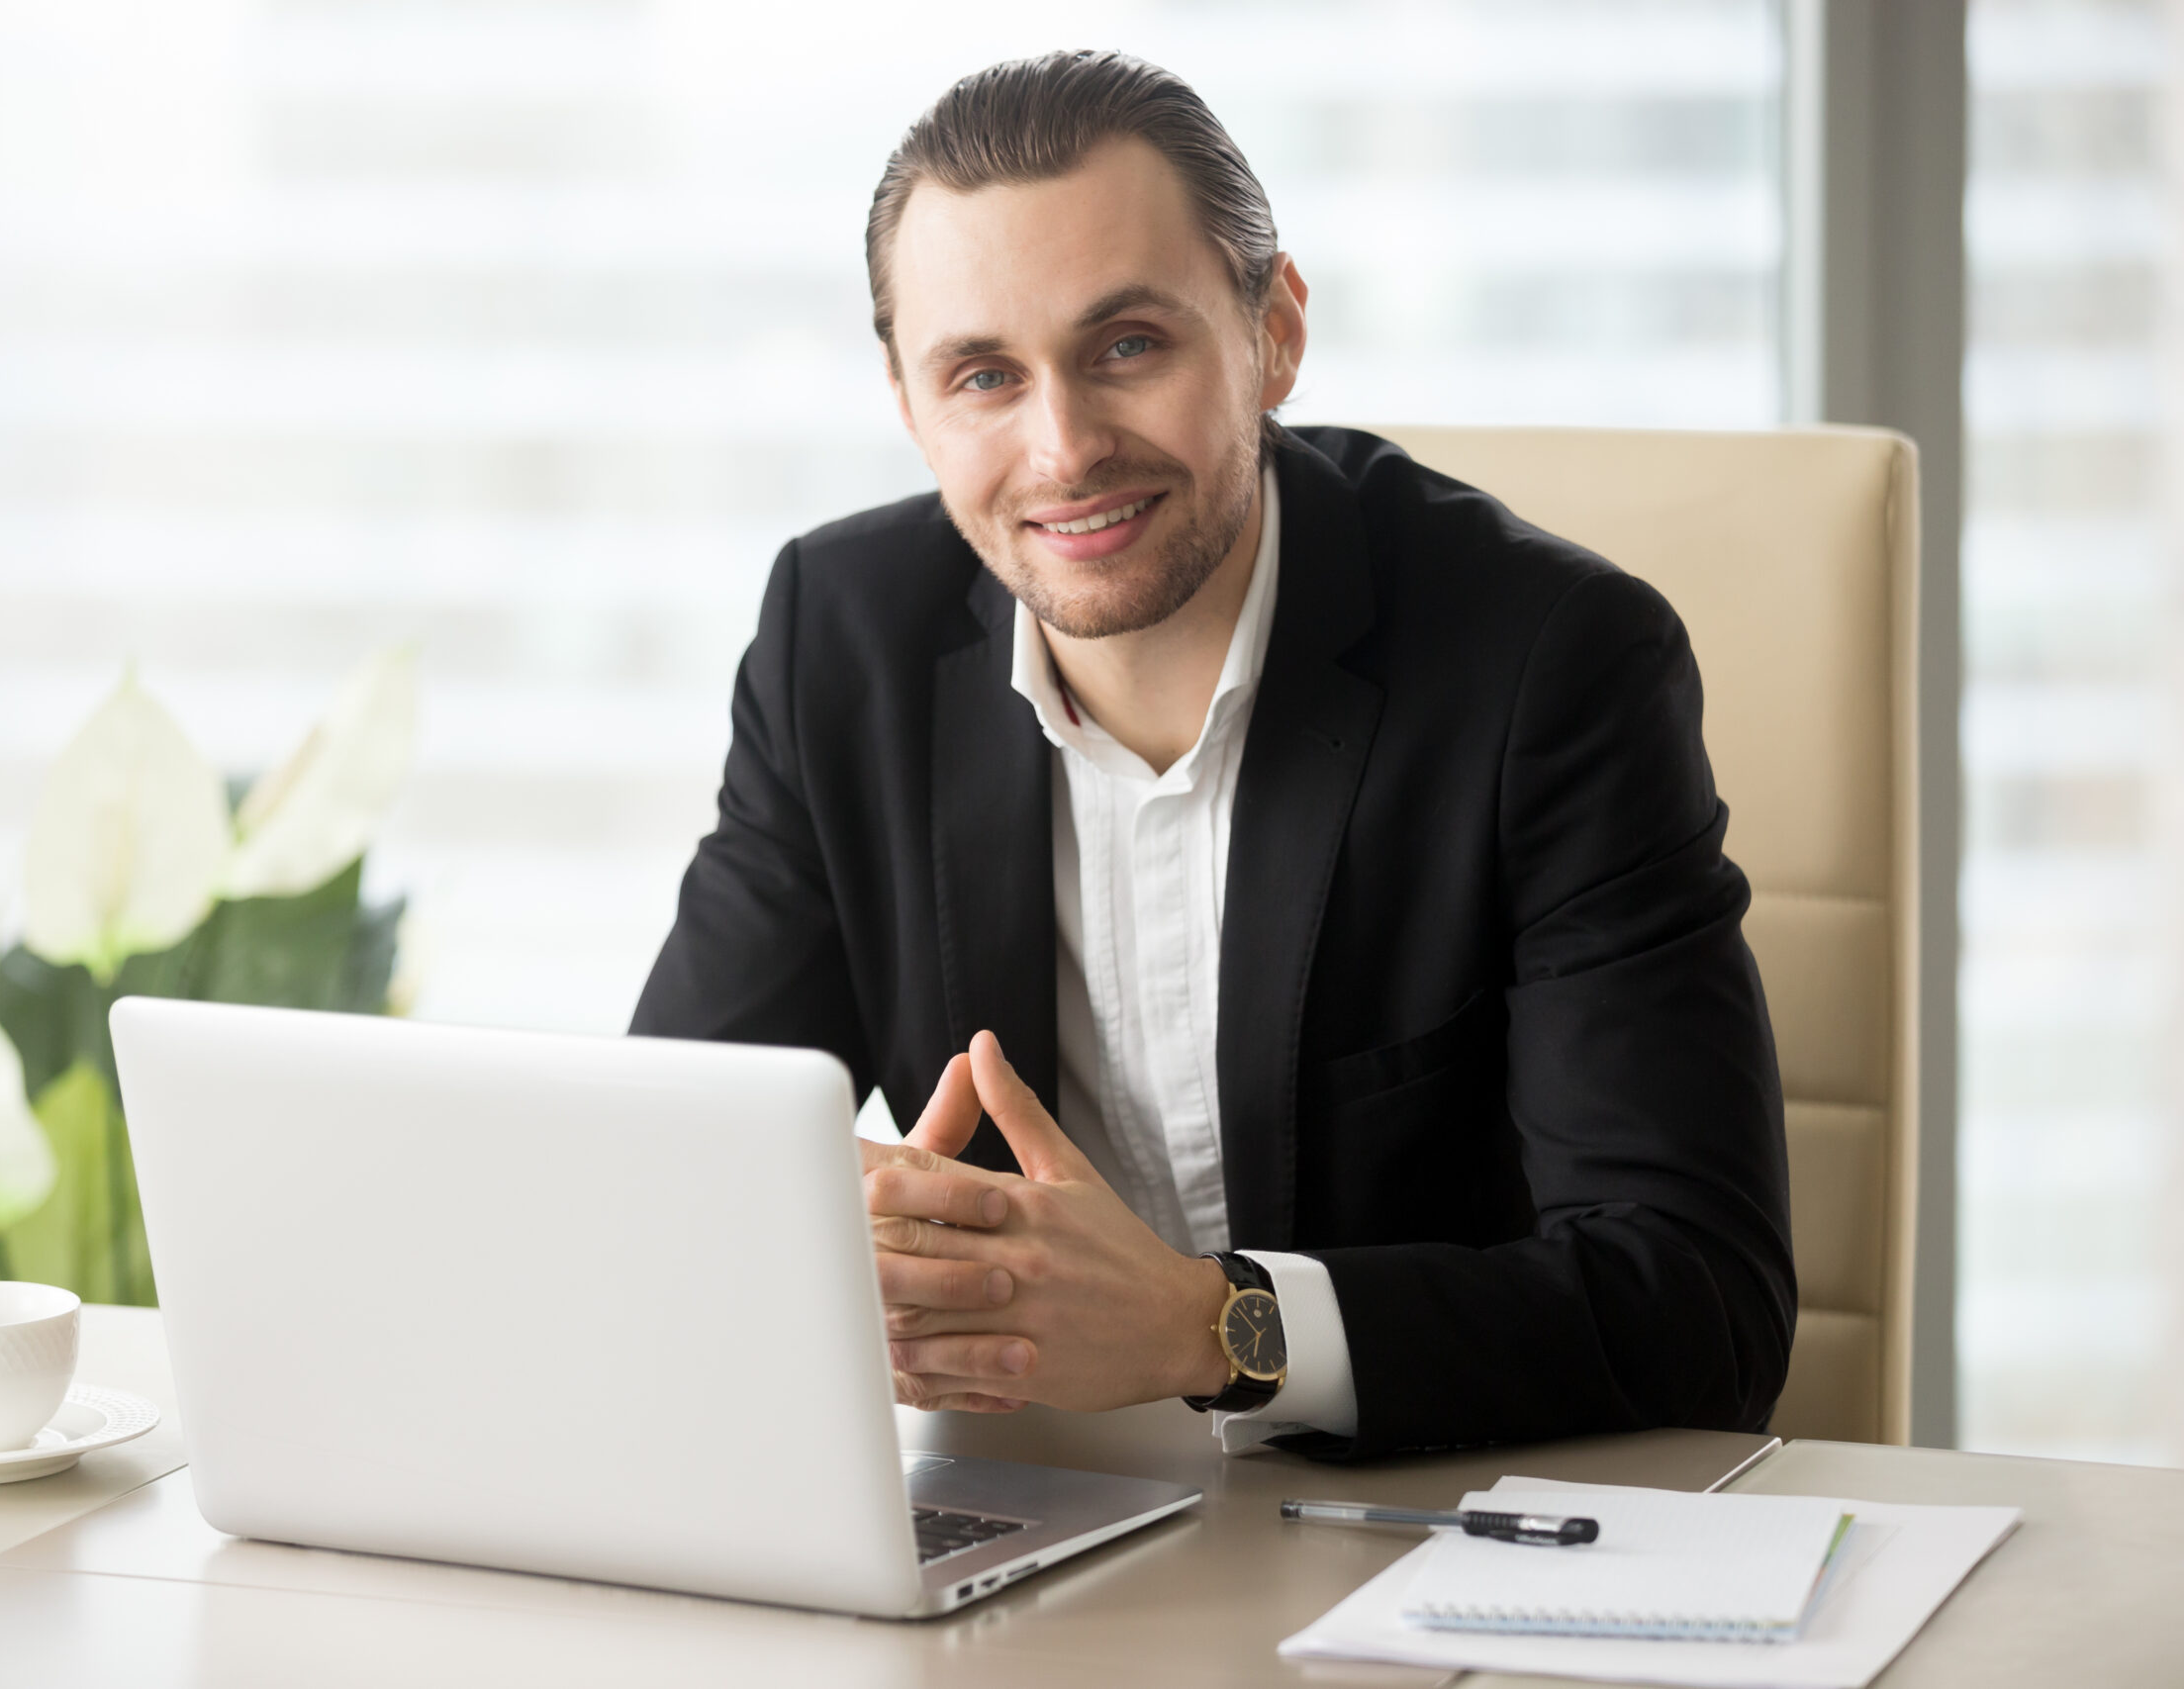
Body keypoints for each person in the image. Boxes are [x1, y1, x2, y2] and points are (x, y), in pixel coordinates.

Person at [632, 49, 1793, 1459]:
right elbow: (666, 1176)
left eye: (1128, 346)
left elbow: (1703, 1310)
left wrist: (1213, 1326)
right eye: (984, 375)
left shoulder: (1551, 667)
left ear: (1274, 333)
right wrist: (829, 1241)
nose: (1062, 450)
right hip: (1031, 1530)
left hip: (1432, 1534)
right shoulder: (839, 644)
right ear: (909, 403)